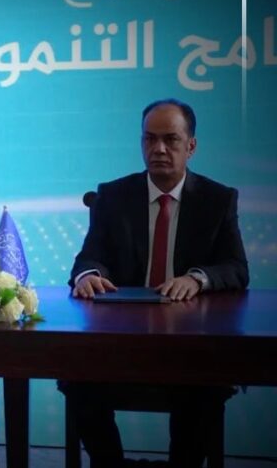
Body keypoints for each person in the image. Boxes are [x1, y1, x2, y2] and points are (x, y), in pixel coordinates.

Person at [65, 98, 248, 467]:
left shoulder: (217, 199)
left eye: (170, 139)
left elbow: (236, 268)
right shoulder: (113, 196)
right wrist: (89, 276)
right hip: (120, 342)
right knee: (78, 380)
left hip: (189, 343)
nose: (159, 149)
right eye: (149, 139)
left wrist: (198, 278)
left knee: (202, 390)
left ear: (191, 146)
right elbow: (88, 259)